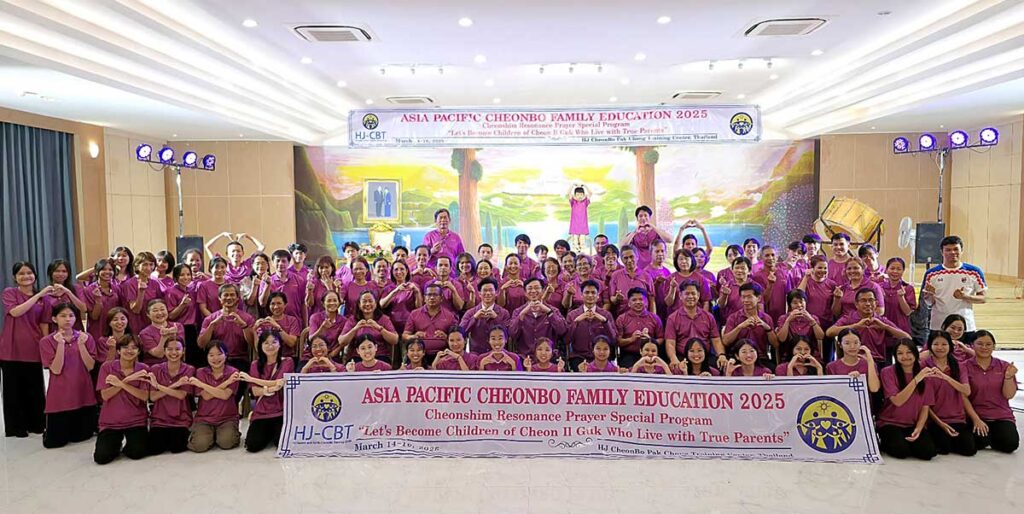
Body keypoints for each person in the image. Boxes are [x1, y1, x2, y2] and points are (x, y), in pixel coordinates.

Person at [1, 262, 49, 437]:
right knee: (13, 390)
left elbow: (44, 324)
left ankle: (37, 424)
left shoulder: (44, 299)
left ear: (35, 275)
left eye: (29, 273)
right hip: (11, 349)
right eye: (21, 273)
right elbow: (15, 312)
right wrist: (39, 295)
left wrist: (45, 347)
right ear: (15, 277)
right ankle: (16, 427)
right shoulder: (10, 293)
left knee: (34, 388)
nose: (26, 276)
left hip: (33, 347)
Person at [39, 303, 97, 448]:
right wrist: (60, 344)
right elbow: (56, 369)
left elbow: (90, 366)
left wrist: (81, 345)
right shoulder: (46, 341)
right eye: (63, 316)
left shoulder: (85, 338)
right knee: (55, 443)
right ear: (54, 319)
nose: (67, 319)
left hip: (83, 394)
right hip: (60, 398)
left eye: (71, 316)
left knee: (81, 437)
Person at [876, 340, 938, 460]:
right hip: (889, 422)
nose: (905, 356)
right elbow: (897, 401)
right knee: (901, 451)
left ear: (915, 353)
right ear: (895, 356)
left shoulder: (925, 373)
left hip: (911, 424)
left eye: (909, 352)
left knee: (928, 452)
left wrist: (919, 428)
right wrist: (916, 379)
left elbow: (925, 407)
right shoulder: (887, 372)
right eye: (900, 353)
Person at [94, 337, 149, 464]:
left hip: (136, 420)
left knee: (137, 453)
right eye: (125, 347)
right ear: (118, 351)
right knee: (101, 458)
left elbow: (144, 396)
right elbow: (105, 395)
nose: (129, 351)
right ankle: (116, 443)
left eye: (134, 348)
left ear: (138, 352)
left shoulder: (143, 369)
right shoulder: (107, 367)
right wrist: (126, 381)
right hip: (111, 422)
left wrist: (121, 383)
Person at [962, 330, 1019, 453]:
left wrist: (1008, 377)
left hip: (1000, 415)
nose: (984, 347)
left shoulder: (1004, 366)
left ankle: (992, 435)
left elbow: (1008, 395)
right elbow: (963, 396)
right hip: (976, 415)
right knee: (979, 442)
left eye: (988, 344)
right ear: (972, 346)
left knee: (1010, 444)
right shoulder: (964, 366)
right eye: (980, 344)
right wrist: (976, 419)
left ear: (994, 346)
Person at [921, 331, 976, 456]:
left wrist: (945, 377)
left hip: (957, 418)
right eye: (936, 344)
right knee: (943, 448)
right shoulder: (924, 366)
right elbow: (923, 401)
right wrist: (940, 423)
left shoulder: (959, 366)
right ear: (930, 346)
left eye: (944, 344)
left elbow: (966, 390)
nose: (940, 348)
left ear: (950, 346)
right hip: (934, 419)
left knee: (969, 449)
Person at [922, 235, 986, 341]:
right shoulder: (931, 274)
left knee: (965, 352)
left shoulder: (974, 272)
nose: (952, 252)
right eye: (948, 250)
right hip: (939, 325)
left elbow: (983, 298)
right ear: (942, 252)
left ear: (962, 251)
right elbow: (929, 303)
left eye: (956, 249)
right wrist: (930, 295)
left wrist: (965, 297)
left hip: (965, 326)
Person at [240, 331, 293, 452]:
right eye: (266, 343)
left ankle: (272, 432)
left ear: (280, 344)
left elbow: (280, 382)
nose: (270, 346)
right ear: (260, 345)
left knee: (282, 444)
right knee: (252, 446)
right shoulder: (255, 364)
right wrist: (269, 389)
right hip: (261, 411)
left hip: (281, 412)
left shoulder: (287, 361)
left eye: (274, 342)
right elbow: (255, 391)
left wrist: (251, 379)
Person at [827, 288, 910, 365]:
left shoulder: (881, 320)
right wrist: (856, 326)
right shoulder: (849, 318)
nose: (868, 304)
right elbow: (829, 332)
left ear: (876, 303)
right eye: (863, 300)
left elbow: (907, 337)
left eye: (871, 300)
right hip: (855, 361)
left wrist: (885, 327)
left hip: (877, 361)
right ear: (856, 304)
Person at [187, 343, 241, 452]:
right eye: (211, 355)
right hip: (204, 418)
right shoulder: (200, 372)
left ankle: (219, 435)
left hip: (227, 418)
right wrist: (227, 382)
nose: (215, 358)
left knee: (226, 442)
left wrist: (201, 384)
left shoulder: (233, 372)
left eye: (219, 354)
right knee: (200, 445)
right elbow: (206, 396)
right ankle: (209, 435)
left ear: (226, 354)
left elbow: (225, 395)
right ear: (206, 357)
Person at [145, 338, 195, 455]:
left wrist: (158, 386)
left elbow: (181, 395)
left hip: (181, 419)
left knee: (177, 448)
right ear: (164, 351)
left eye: (177, 349)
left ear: (183, 351)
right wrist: (176, 384)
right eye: (170, 349)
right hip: (160, 419)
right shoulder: (155, 369)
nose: (173, 352)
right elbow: (153, 397)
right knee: (154, 449)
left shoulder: (189, 369)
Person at [665, 281, 725, 370]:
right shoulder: (672, 318)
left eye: (693, 293)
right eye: (687, 294)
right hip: (682, 357)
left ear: (698, 295)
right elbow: (670, 343)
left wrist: (721, 355)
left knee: (721, 366)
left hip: (705, 357)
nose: (690, 297)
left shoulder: (709, 317)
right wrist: (673, 358)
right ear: (680, 296)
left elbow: (716, 340)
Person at [198, 283, 255, 376]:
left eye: (232, 295)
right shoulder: (210, 319)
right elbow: (201, 344)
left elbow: (253, 344)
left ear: (238, 298)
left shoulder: (247, 318)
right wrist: (212, 326)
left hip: (240, 361)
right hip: (217, 362)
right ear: (219, 298)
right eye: (226, 295)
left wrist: (244, 326)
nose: (229, 298)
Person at [510, 278, 568, 360]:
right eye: (530, 288)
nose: (533, 291)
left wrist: (548, 312)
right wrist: (522, 314)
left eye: (537, 288)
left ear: (543, 291)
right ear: (525, 293)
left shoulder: (553, 310)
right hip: (525, 357)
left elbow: (562, 330)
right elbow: (512, 333)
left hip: (549, 358)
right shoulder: (518, 311)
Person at [565, 280, 617, 372]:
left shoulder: (606, 315)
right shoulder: (572, 315)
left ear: (598, 296)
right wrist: (576, 322)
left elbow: (614, 339)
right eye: (587, 292)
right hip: (579, 357)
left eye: (593, 293)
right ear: (581, 295)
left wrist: (604, 321)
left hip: (602, 357)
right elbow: (567, 340)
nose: (590, 295)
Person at [402, 283, 459, 366]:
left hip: (442, 354)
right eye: (429, 295)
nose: (432, 298)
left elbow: (457, 338)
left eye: (435, 295)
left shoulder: (449, 315)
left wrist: (446, 337)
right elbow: (405, 336)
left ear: (441, 298)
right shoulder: (414, 314)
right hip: (419, 354)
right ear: (424, 298)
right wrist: (414, 336)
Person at [722, 283, 777, 359]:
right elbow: (725, 342)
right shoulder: (733, 317)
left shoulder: (767, 318)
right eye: (743, 297)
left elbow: (775, 344)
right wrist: (739, 327)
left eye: (749, 297)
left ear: (759, 298)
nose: (746, 300)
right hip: (739, 358)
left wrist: (767, 328)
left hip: (761, 358)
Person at [340, 291, 399, 362]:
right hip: (358, 357)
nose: (367, 304)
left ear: (376, 304)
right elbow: (342, 341)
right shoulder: (352, 320)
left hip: (380, 356)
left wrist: (379, 328)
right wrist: (355, 329)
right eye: (364, 301)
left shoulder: (384, 319)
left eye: (370, 301)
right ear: (359, 305)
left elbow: (395, 340)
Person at [614, 288, 663, 369]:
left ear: (646, 302)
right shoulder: (621, 319)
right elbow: (618, 341)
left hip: (651, 355)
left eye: (641, 299)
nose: (638, 302)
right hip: (629, 355)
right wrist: (631, 339)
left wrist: (650, 340)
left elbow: (661, 338)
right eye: (634, 300)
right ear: (629, 303)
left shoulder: (655, 318)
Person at [163, 263, 201, 368]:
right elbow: (171, 316)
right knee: (182, 359)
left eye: (188, 274)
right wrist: (182, 305)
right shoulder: (171, 292)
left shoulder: (191, 290)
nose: (186, 277)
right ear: (176, 277)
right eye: (182, 275)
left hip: (193, 329)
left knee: (194, 360)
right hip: (179, 329)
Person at [460, 278, 510, 354]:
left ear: (496, 293)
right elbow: (461, 332)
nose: (488, 293)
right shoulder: (471, 312)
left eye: (491, 290)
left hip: (498, 355)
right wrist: (474, 318)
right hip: (477, 355)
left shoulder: (504, 313)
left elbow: (509, 333)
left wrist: (496, 318)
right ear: (479, 294)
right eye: (485, 290)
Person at [825, 328, 880, 393]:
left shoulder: (869, 364)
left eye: (856, 343)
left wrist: (870, 359)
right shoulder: (831, 367)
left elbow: (874, 389)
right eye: (847, 343)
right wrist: (848, 380)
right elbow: (831, 391)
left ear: (860, 343)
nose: (852, 346)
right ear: (840, 345)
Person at [120, 252, 162, 333]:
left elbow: (159, 304)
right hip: (135, 326)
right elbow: (136, 310)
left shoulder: (155, 284)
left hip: (152, 325)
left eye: (151, 264)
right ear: (137, 266)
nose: (148, 268)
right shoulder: (129, 284)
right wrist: (141, 292)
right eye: (145, 264)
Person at [774, 290, 824, 360]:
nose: (799, 305)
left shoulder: (813, 318)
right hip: (790, 355)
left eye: (801, 302)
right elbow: (781, 339)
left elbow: (820, 337)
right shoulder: (783, 318)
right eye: (795, 303)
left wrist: (811, 320)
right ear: (790, 305)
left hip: (810, 354)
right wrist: (788, 321)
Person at [83, 259, 122, 346]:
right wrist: (98, 301)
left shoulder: (117, 288)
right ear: (97, 272)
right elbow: (94, 316)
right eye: (104, 269)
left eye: (110, 269)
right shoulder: (89, 290)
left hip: (115, 329)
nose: (107, 272)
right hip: (97, 330)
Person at [620, 206, 673, 270]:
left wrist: (653, 227)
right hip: (638, 268)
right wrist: (635, 232)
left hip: (655, 268)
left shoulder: (656, 232)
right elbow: (622, 246)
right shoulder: (633, 234)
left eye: (645, 215)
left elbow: (670, 240)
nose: (643, 218)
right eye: (640, 216)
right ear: (637, 218)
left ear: (650, 217)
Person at [41, 259, 87, 332]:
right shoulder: (45, 292)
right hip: (55, 332)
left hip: (76, 331)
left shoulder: (76, 288)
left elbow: (83, 309)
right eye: (57, 271)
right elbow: (44, 321)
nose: (60, 274)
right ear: (51, 273)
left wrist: (68, 292)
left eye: (64, 271)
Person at [608, 245, 655, 316]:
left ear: (637, 257)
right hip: (622, 318)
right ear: (621, 259)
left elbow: (652, 300)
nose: (629, 260)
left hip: (643, 317)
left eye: (631, 257)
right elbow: (612, 299)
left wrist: (653, 318)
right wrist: (617, 298)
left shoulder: (646, 276)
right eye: (626, 258)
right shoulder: (616, 275)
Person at [380, 260, 422, 336]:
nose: (399, 272)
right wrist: (396, 291)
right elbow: (382, 305)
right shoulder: (388, 288)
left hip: (409, 327)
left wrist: (417, 292)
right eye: (396, 269)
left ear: (407, 271)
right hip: (391, 327)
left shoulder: (414, 287)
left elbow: (419, 308)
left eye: (402, 269)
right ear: (392, 272)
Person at [137, 299, 185, 366]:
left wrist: (173, 335)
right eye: (155, 310)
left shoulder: (178, 326)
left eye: (162, 309)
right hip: (155, 367)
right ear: (148, 314)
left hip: (176, 365)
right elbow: (159, 354)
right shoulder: (144, 333)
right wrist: (164, 337)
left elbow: (180, 350)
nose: (159, 313)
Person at [664, 249, 711, 316]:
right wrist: (672, 289)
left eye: (686, 259)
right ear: (676, 261)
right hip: (676, 317)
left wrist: (703, 317)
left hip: (696, 316)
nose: (684, 261)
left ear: (692, 260)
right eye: (681, 259)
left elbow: (706, 301)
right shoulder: (670, 279)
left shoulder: (701, 279)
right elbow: (668, 303)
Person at [751, 246, 791, 322]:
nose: (770, 258)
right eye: (767, 255)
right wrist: (770, 285)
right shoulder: (757, 277)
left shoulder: (784, 274)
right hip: (764, 319)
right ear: (761, 258)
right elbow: (762, 301)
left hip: (781, 318)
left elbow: (789, 297)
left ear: (776, 257)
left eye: (773, 255)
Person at [260, 250, 304, 320]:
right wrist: (267, 285)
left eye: (284, 261)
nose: (280, 263)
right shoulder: (266, 281)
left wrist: (305, 324)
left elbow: (303, 304)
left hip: (296, 321)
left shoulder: (299, 280)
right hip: (273, 322)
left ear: (289, 263)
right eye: (278, 261)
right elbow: (262, 303)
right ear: (272, 263)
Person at [880, 257, 917, 337]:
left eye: (899, 269)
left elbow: (908, 312)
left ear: (903, 271)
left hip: (901, 329)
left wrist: (901, 297)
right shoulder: (880, 287)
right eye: (892, 268)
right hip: (882, 328)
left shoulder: (908, 288)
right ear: (886, 270)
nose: (895, 271)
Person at [306, 291, 345, 362]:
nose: (332, 303)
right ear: (323, 304)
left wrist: (334, 353)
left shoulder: (343, 321)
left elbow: (343, 342)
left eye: (335, 300)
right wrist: (322, 328)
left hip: (333, 356)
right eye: (329, 301)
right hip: (313, 355)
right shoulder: (315, 317)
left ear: (339, 303)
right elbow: (311, 340)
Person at [717, 256, 754, 322]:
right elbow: (721, 305)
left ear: (749, 271)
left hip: (750, 322)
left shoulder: (755, 286)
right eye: (736, 268)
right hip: (731, 322)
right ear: (732, 270)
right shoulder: (727, 285)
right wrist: (724, 295)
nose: (739, 270)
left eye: (743, 268)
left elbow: (760, 307)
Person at [196, 257, 228, 323]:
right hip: (210, 321)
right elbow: (203, 308)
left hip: (228, 321)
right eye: (216, 267)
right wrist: (215, 320)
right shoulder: (204, 286)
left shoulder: (231, 284)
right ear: (210, 269)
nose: (220, 270)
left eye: (222, 267)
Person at [567, 183, 592, 254]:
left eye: (581, 194)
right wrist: (572, 185)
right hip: (574, 226)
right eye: (577, 194)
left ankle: (582, 254)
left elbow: (590, 193)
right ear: (575, 195)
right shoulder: (573, 202)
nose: (579, 196)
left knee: (582, 242)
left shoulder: (585, 202)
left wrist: (585, 185)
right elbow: (568, 193)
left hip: (582, 226)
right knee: (575, 242)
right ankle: (575, 253)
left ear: (584, 195)